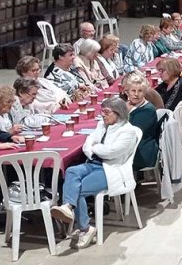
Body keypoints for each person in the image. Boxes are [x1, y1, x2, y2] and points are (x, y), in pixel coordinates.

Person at [50, 97, 140, 249]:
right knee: (71, 171)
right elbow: (87, 143)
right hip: (93, 163)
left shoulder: (128, 131)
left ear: (118, 113)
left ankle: (85, 228)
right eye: (102, 111)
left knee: (77, 189)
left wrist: (95, 147)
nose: (103, 115)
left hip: (111, 169)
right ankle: (68, 207)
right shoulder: (101, 125)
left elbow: (111, 153)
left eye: (106, 112)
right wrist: (94, 148)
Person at [124, 74, 160, 172]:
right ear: (127, 92)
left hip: (141, 152)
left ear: (144, 93)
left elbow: (129, 132)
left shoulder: (147, 110)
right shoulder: (128, 106)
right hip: (131, 147)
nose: (136, 94)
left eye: (140, 91)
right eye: (133, 91)